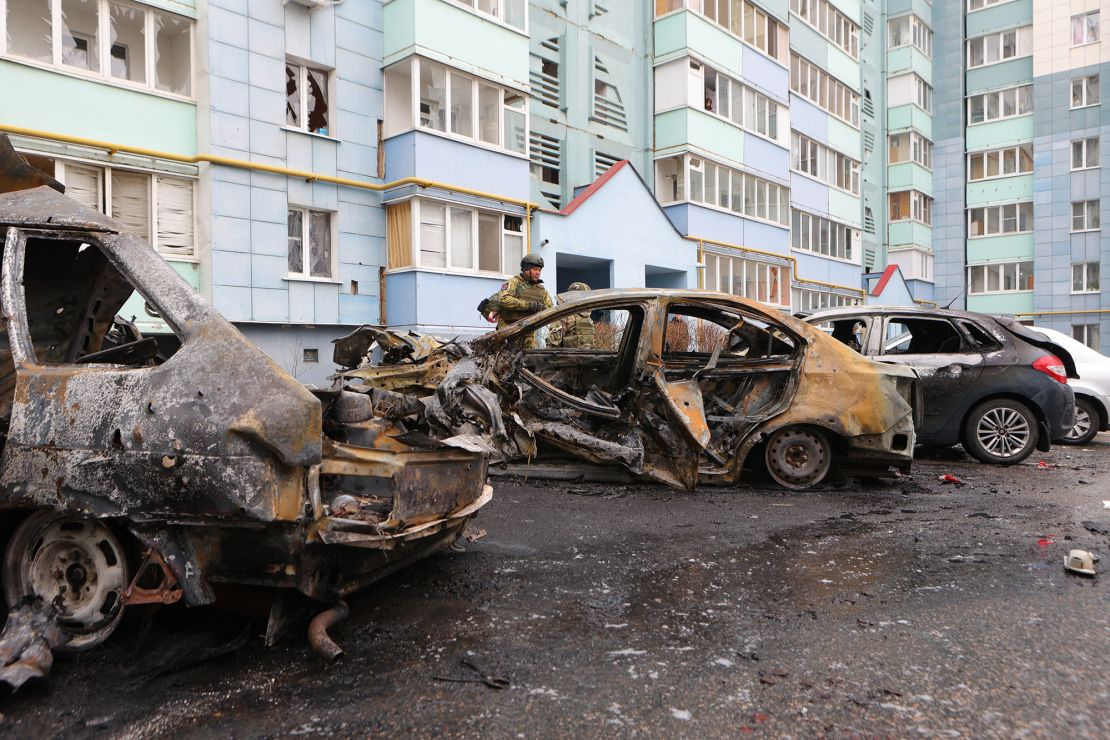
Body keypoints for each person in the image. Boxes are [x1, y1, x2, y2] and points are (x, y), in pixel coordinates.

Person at [493, 253, 554, 348]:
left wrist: (542, 308)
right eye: (535, 269)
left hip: (529, 335)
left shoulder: (541, 289)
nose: (538, 272)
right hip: (509, 331)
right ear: (526, 269)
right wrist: (528, 305)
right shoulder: (514, 282)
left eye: (539, 270)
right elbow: (504, 299)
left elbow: (551, 309)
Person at [548, 282, 595, 348]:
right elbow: (553, 344)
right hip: (568, 357)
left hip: (586, 357)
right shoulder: (564, 317)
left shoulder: (587, 317)